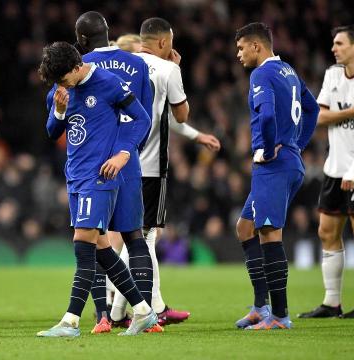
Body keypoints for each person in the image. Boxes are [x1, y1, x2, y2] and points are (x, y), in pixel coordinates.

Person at [36, 41, 157, 337]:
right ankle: (143, 312)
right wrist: (60, 110)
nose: (60, 85)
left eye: (63, 79)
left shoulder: (108, 83)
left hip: (99, 175)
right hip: (75, 176)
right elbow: (52, 131)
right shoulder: (60, 89)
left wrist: (123, 153)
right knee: (102, 250)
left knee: (83, 243)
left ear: (77, 68)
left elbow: (142, 118)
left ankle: (70, 321)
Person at [110, 17, 221, 327]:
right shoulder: (168, 69)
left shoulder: (121, 66)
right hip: (149, 168)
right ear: (162, 42)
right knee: (143, 238)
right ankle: (143, 310)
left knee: (132, 236)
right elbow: (180, 113)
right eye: (171, 41)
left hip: (115, 161)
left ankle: (119, 310)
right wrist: (178, 71)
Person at [74, 10, 156, 334]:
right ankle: (146, 316)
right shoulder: (138, 64)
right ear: (108, 32)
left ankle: (102, 318)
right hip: (129, 160)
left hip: (93, 164)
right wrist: (128, 149)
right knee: (136, 237)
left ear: (81, 39)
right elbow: (143, 117)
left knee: (95, 237)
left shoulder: (80, 68)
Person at [233, 22, 319, 330]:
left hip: (274, 164)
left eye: (242, 48)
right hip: (289, 161)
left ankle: (280, 316)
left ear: (257, 46)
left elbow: (267, 115)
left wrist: (270, 149)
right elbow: (313, 110)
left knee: (269, 233)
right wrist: (297, 144)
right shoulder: (289, 72)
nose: (238, 54)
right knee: (245, 228)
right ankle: (260, 307)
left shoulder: (262, 73)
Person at [299, 24, 354, 319]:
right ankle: (332, 302)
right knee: (326, 231)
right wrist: (350, 112)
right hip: (333, 166)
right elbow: (319, 116)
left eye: (339, 43)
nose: (333, 48)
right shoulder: (332, 75)